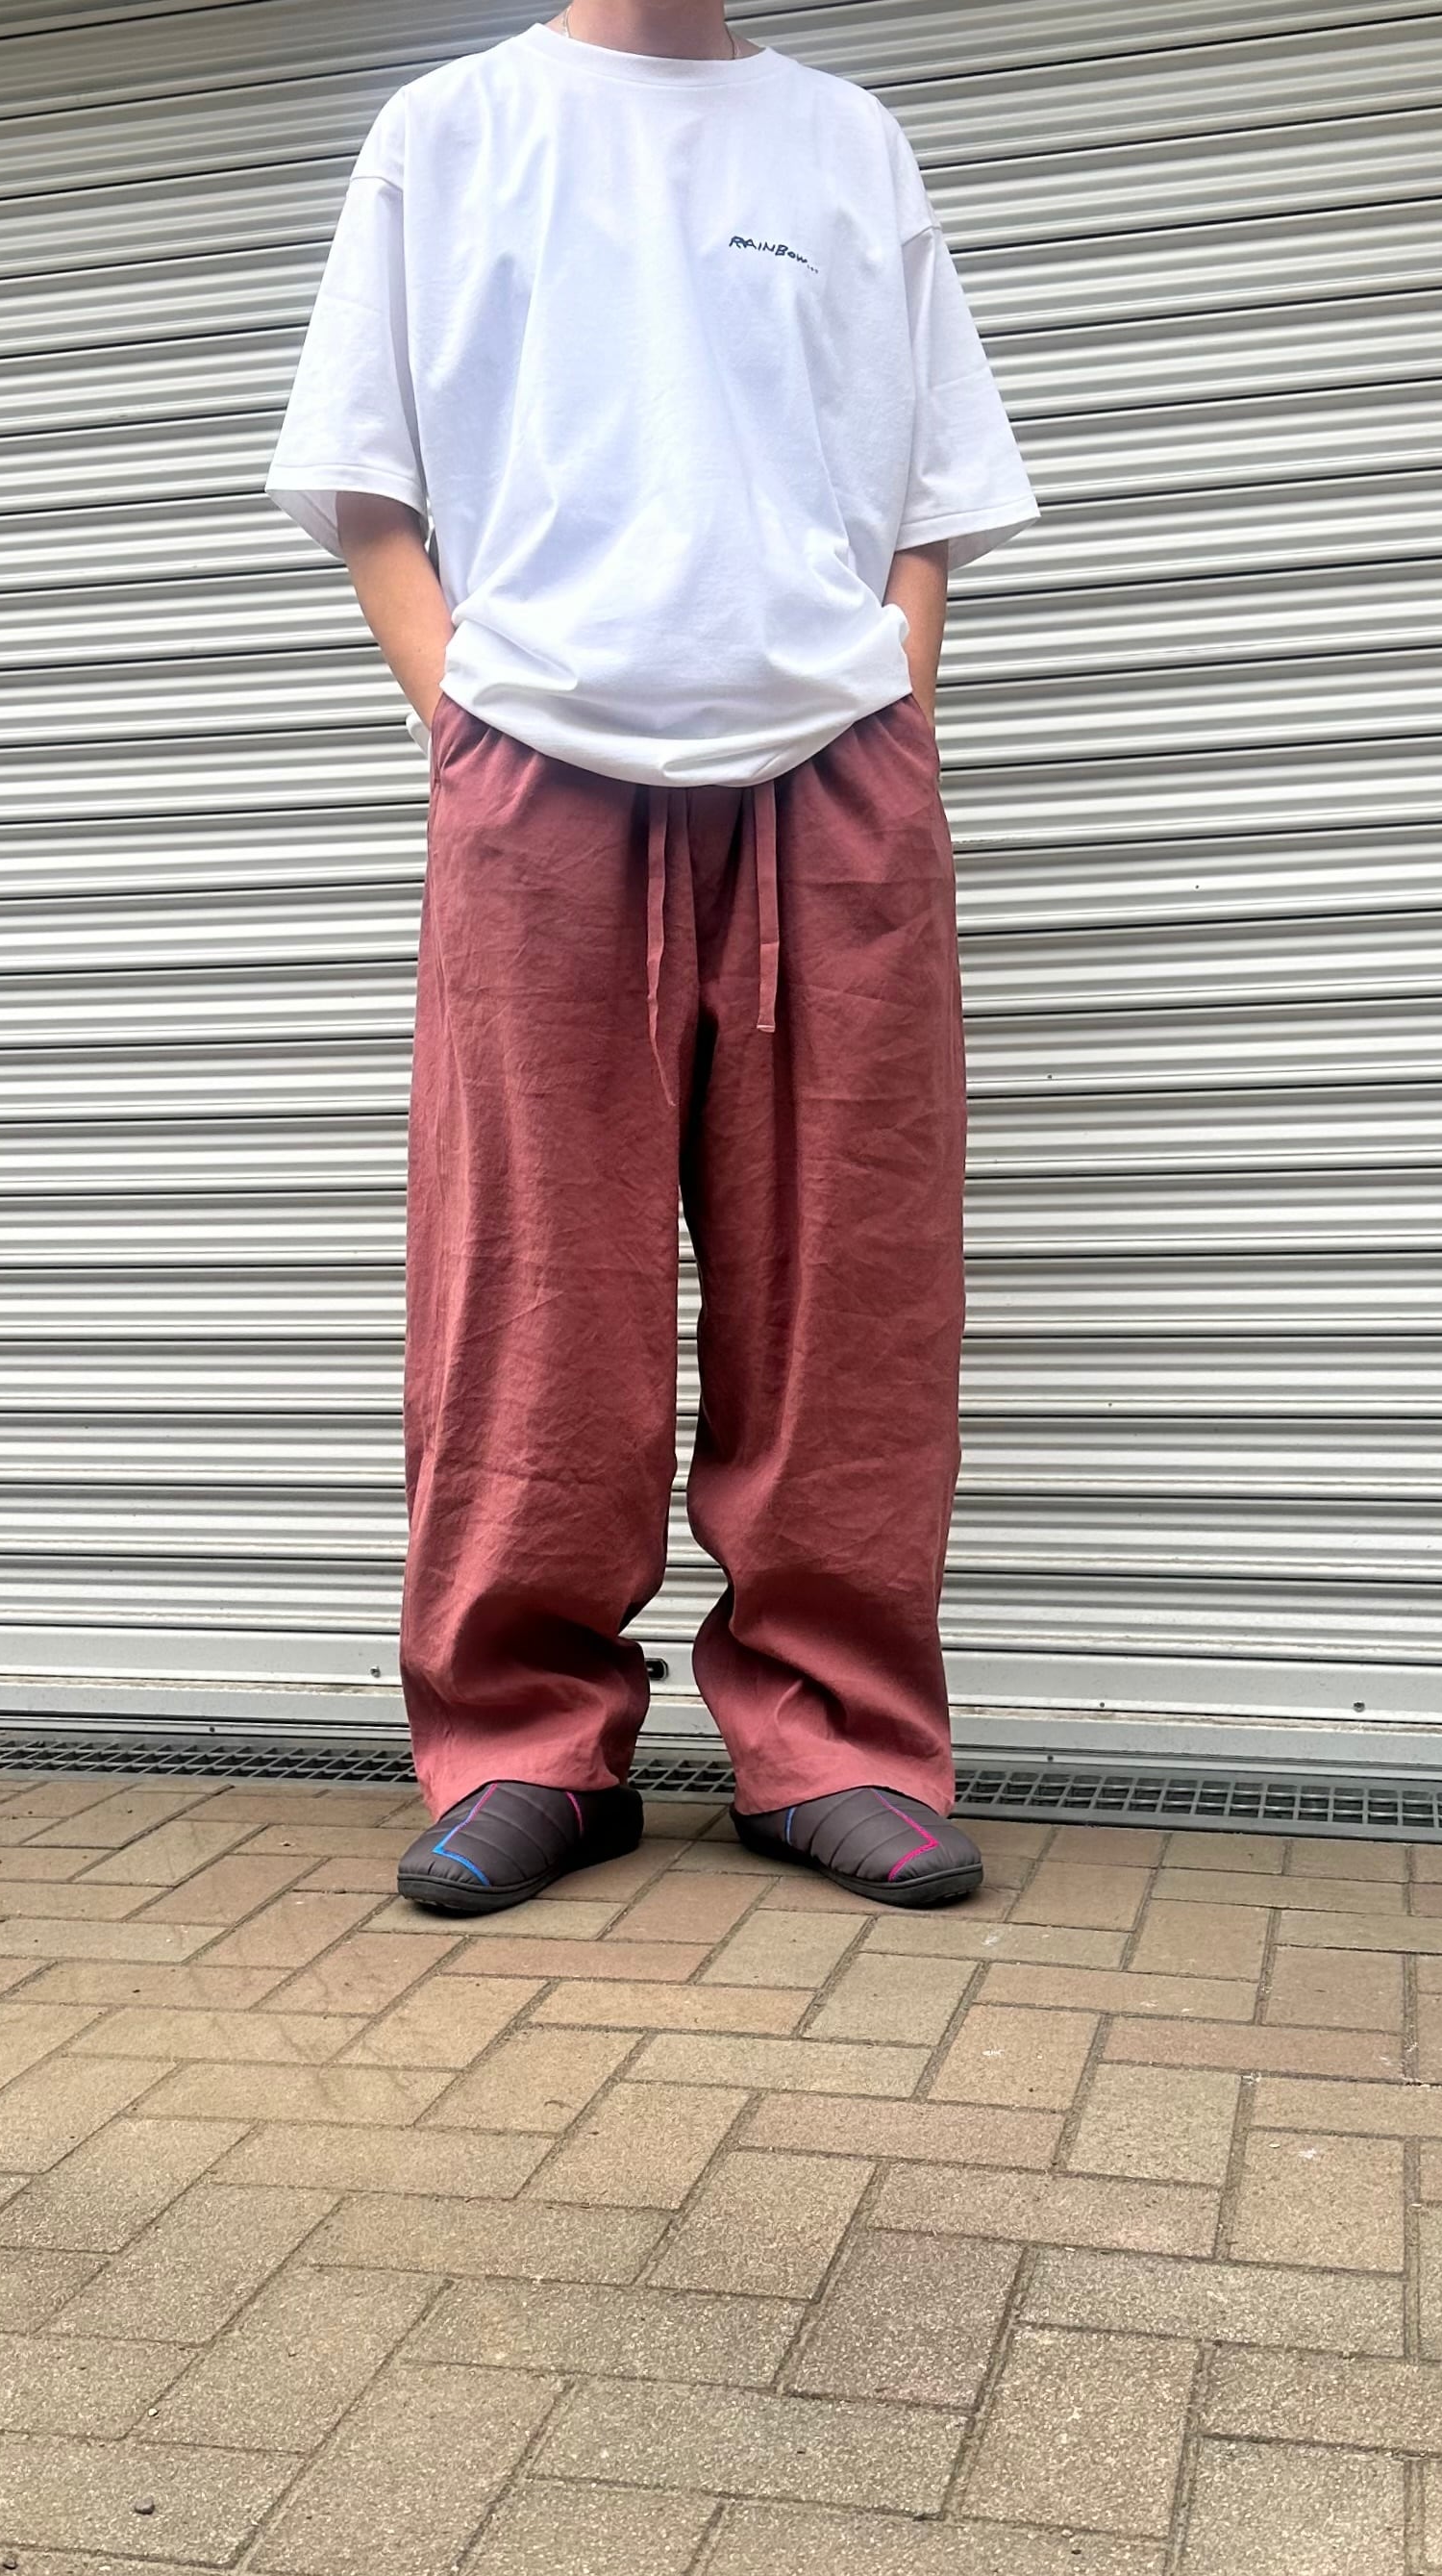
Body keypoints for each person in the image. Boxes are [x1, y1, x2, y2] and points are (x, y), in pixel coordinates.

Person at [264, 0, 1037, 1916]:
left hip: (832, 770)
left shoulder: (845, 142)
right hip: (540, 769)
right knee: (532, 1288)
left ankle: (836, 1743)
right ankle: (523, 1744)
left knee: (849, 1287)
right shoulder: (448, 132)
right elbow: (364, 481)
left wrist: (893, 715)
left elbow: (934, 495)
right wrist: (467, 725)